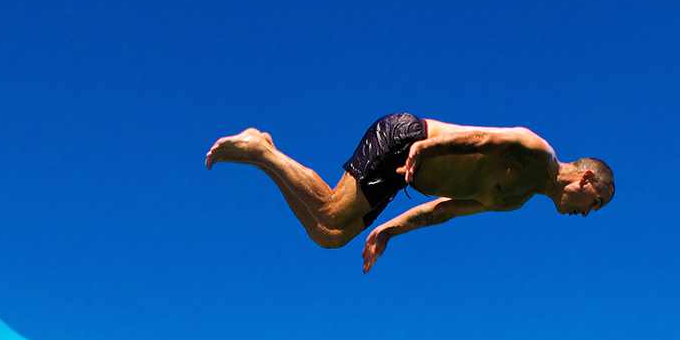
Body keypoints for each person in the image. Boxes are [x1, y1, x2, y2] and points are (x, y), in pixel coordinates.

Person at [206, 114, 614, 272]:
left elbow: (443, 211)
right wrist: (430, 147)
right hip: (405, 139)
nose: (586, 213)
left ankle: (262, 154)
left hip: (404, 174)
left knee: (328, 236)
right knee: (331, 214)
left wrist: (390, 231)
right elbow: (487, 139)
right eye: (592, 204)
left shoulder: (514, 200)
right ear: (585, 181)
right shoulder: (538, 153)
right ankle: (260, 149)